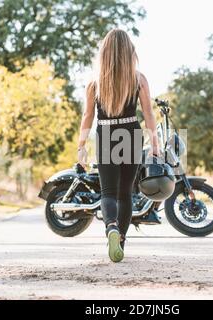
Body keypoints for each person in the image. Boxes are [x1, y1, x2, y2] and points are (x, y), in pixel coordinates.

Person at [76, 29, 161, 263]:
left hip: (106, 134)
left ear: (104, 53)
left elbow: (87, 117)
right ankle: (120, 241)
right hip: (131, 134)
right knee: (125, 194)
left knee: (108, 193)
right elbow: (149, 114)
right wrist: (155, 144)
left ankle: (110, 227)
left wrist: (81, 146)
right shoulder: (138, 79)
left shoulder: (94, 83)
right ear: (129, 52)